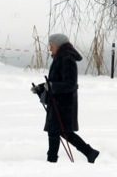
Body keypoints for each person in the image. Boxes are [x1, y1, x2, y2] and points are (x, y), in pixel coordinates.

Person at [32, 33, 100, 163]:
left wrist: (51, 86)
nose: (50, 48)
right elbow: (55, 81)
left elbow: (70, 84)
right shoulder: (60, 58)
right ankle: (90, 152)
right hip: (59, 103)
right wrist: (41, 88)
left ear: (58, 45)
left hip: (63, 104)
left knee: (56, 131)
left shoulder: (66, 59)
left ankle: (52, 161)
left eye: (51, 45)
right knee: (63, 132)